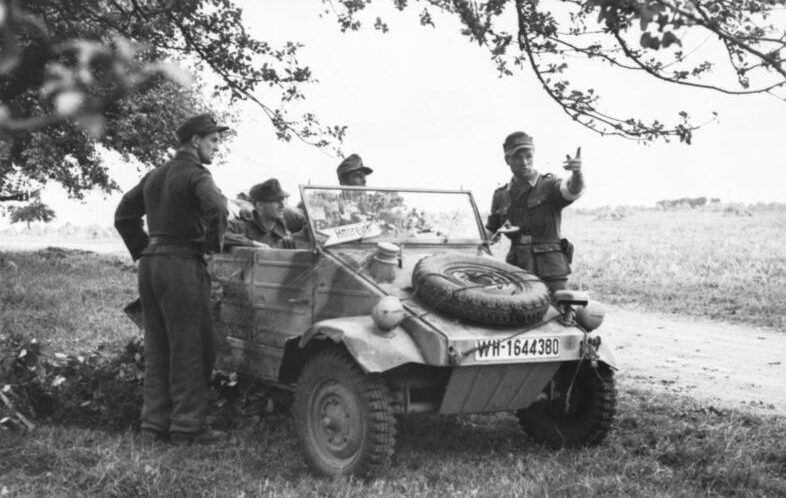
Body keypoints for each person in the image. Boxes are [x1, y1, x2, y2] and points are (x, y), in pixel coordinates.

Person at [114, 113, 230, 445]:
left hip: (150, 267)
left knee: (158, 345)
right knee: (192, 347)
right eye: (213, 140)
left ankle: (153, 427)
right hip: (181, 266)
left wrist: (145, 250)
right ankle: (187, 428)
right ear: (195, 140)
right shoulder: (196, 174)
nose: (216, 147)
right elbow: (219, 209)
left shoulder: (155, 174)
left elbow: (124, 215)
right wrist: (209, 249)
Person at [486, 131, 584, 293]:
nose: (524, 162)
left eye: (528, 156)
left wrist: (577, 173)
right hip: (516, 268)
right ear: (507, 160)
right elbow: (490, 232)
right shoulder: (501, 195)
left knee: (559, 313)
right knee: (515, 313)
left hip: (551, 270)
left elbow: (572, 190)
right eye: (518, 157)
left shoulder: (550, 185)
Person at [224, 178, 298, 249]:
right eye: (276, 201)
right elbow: (221, 235)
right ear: (260, 205)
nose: (282, 205)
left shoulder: (284, 237)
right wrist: (253, 244)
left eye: (282, 200)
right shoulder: (239, 226)